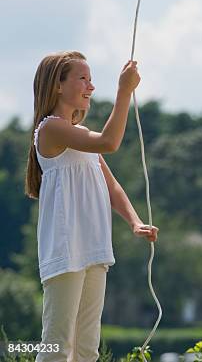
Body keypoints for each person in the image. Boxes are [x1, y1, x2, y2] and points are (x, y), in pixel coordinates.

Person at [25, 51, 160, 362]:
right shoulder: (50, 129)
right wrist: (124, 91)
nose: (90, 86)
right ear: (57, 86)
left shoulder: (81, 136)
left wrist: (134, 221)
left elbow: (111, 185)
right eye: (82, 78)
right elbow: (110, 143)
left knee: (87, 347)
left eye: (90, 79)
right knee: (57, 346)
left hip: (94, 247)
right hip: (65, 249)